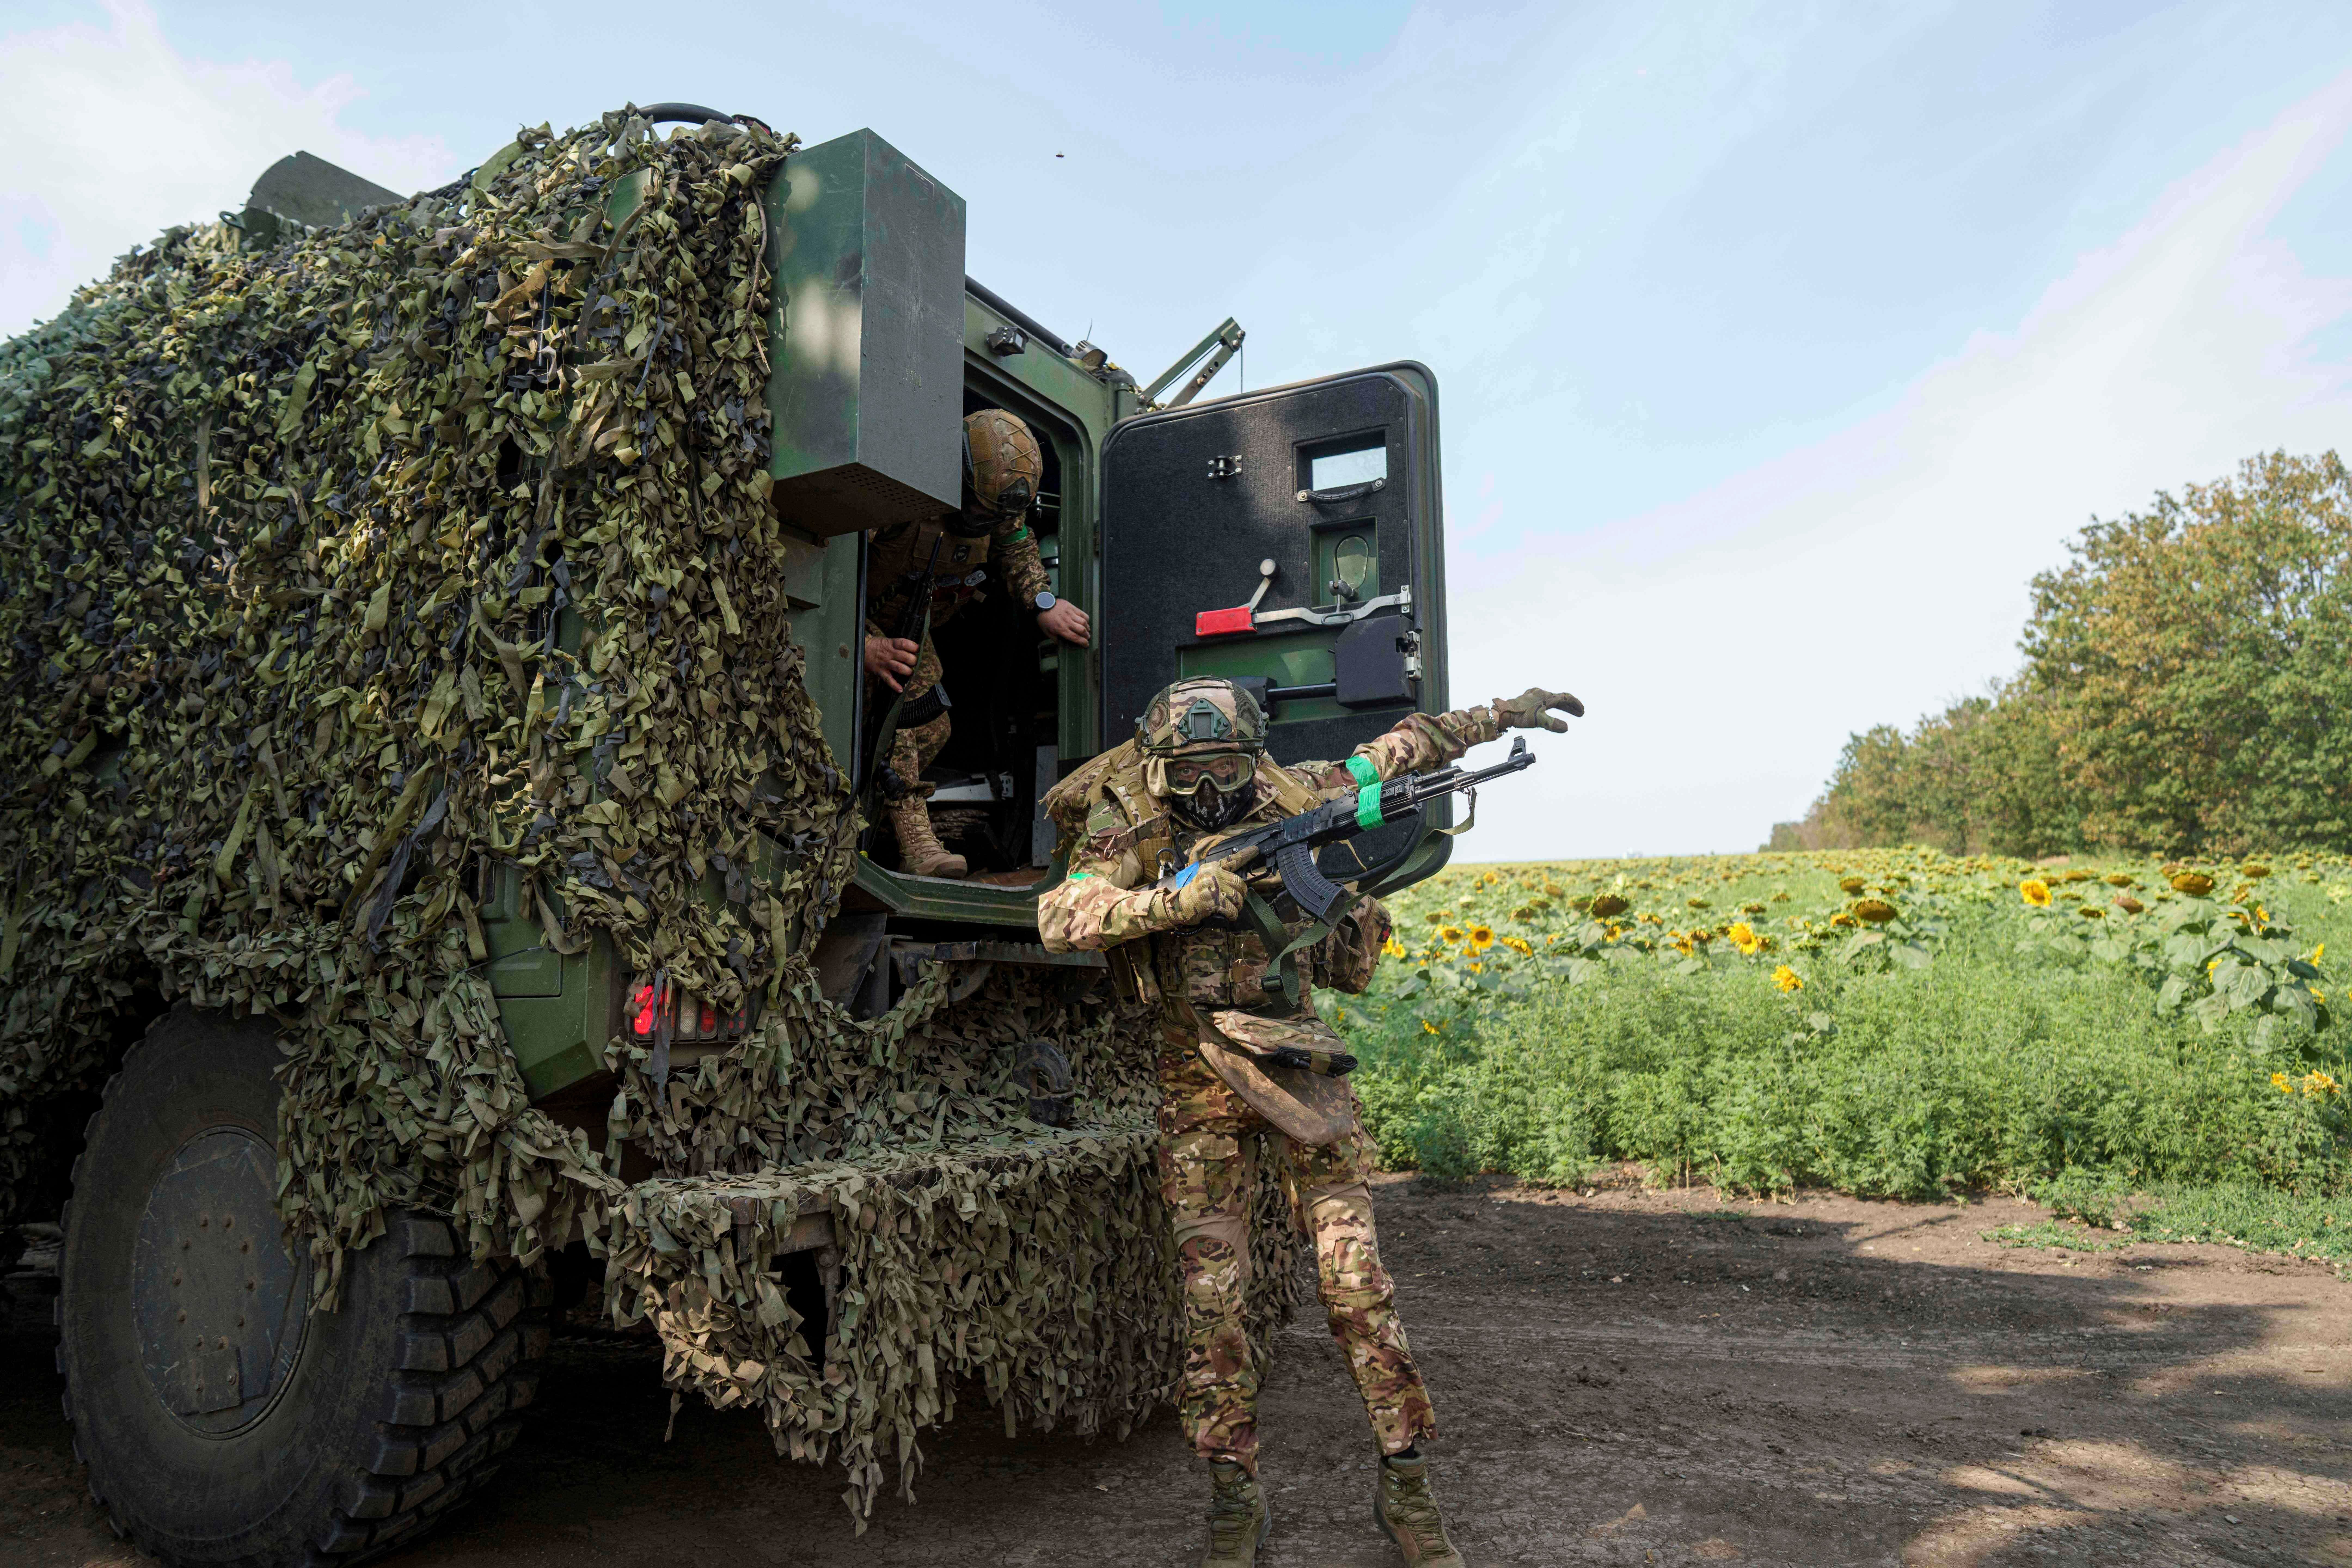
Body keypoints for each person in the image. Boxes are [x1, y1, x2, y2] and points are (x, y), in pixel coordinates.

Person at [1039, 676, 1580, 1568]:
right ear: (1160, 768)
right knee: (1216, 1303)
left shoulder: (1296, 793)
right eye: (1192, 779)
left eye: (1227, 775)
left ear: (1253, 759)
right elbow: (1061, 912)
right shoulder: (1129, 818)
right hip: (1199, 1078)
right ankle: (1233, 1495)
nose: (1212, 794)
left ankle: (1406, 1482)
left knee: (1357, 1283)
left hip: (1301, 1068)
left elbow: (1399, 752)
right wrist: (1171, 901)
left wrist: (1497, 719)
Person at [863, 408, 1091, 877]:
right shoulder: (899, 490)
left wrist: (1043, 602)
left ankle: (864, 806)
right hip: (852, 618)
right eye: (982, 511)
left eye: (997, 515)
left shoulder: (999, 505)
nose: (988, 522)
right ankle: (916, 841)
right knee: (898, 722)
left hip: (909, 624)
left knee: (934, 727)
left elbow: (1018, 544)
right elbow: (831, 561)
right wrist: (859, 646)